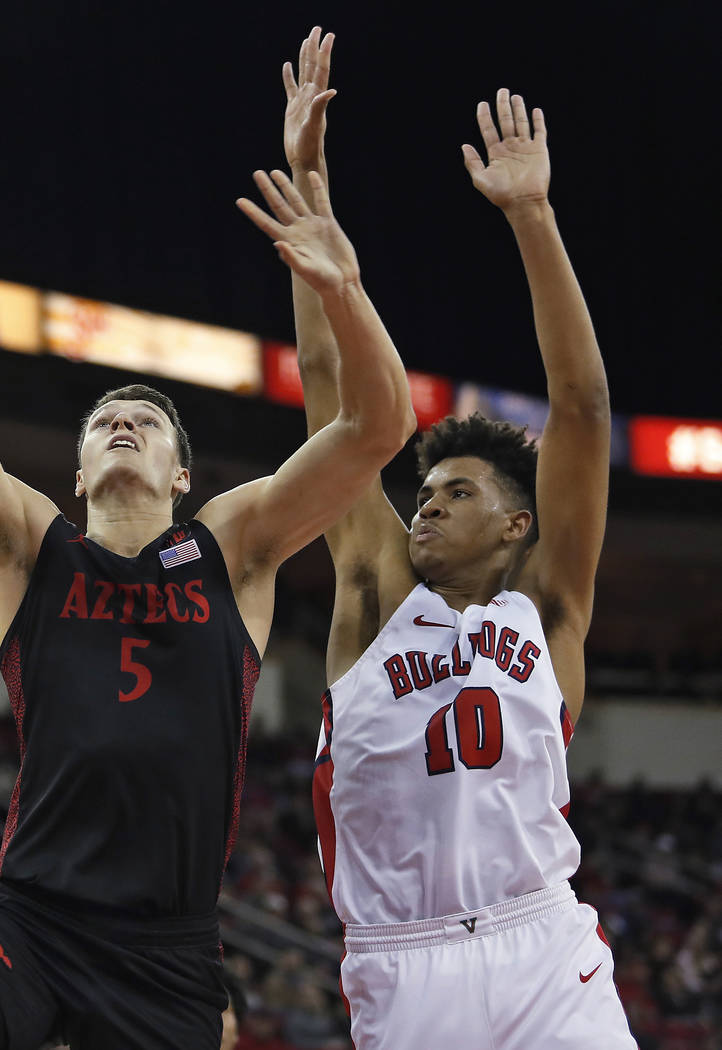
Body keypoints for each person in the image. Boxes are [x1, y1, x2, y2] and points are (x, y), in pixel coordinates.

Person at [0, 47, 414, 1050]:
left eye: (146, 418)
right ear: (79, 472)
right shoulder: (23, 545)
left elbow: (376, 430)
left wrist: (341, 283)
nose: (123, 423)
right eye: (104, 422)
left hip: (168, 946)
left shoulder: (236, 547)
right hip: (34, 914)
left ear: (185, 475)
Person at [283, 27, 638, 1050]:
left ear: (516, 526)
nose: (424, 505)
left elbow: (581, 405)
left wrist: (532, 217)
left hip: (544, 946)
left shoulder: (549, 613)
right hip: (406, 957)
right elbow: (329, 392)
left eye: (454, 492)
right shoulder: (373, 591)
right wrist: (310, 178)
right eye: (421, 492)